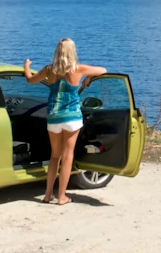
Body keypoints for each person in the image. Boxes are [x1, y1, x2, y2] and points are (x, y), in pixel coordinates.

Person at [24, 38, 106, 205]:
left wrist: (26, 66)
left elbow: (30, 80)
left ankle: (48, 194)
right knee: (68, 156)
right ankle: (62, 196)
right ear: (72, 51)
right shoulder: (78, 69)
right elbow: (102, 70)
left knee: (55, 156)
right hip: (72, 117)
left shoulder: (49, 70)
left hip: (54, 116)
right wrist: (88, 77)